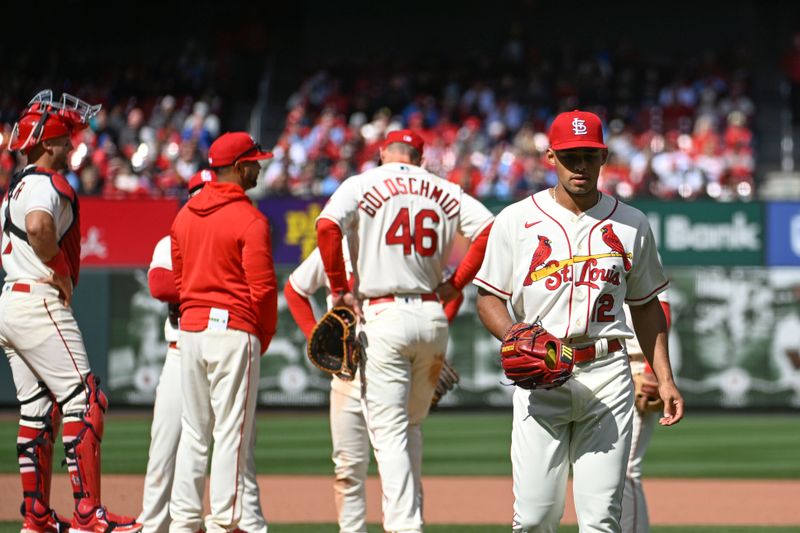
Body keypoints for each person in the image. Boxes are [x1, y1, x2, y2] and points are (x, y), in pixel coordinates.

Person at [473, 110, 684, 532]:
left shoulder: (632, 223)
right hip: (541, 376)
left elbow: (646, 305)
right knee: (534, 518)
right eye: (570, 156)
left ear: (603, 156)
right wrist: (516, 336)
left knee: (601, 518)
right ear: (551, 157)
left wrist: (664, 377)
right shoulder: (515, 220)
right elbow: (489, 298)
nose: (581, 165)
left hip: (607, 372)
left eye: (589, 155)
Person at [315, 129, 494, 532]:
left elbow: (326, 227)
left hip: (384, 314)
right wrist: (457, 282)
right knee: (410, 426)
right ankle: (411, 519)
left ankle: (406, 527)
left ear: (382, 154)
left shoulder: (363, 183)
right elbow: (489, 230)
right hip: (432, 317)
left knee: (390, 432)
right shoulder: (443, 188)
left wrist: (340, 290)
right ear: (420, 157)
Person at [0, 90, 142, 533]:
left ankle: (36, 516)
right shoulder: (43, 183)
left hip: (11, 299)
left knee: (36, 411)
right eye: (65, 138)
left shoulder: (15, 189)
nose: (72, 144)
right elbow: (41, 227)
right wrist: (60, 271)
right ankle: (87, 513)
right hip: (40, 298)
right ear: (45, 143)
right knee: (86, 400)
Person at [283, 244, 464, 533]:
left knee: (404, 466)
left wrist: (432, 347)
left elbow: (455, 293)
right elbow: (295, 289)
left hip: (396, 371)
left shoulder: (401, 240)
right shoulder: (337, 244)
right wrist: (316, 339)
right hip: (349, 371)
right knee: (347, 468)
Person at [138, 169, 267, 533]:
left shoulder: (228, 230)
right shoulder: (176, 234)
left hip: (219, 342)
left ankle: (246, 521)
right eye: (196, 190)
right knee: (166, 447)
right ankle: (157, 525)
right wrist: (211, 285)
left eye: (206, 189)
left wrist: (203, 284)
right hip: (182, 352)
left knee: (238, 444)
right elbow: (159, 283)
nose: (201, 195)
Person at [169, 132, 277, 533]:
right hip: (234, 331)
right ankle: (224, 524)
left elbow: (179, 281)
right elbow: (263, 289)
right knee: (231, 433)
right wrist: (263, 334)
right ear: (237, 167)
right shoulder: (249, 218)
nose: (259, 166)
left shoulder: (184, 213)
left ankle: (182, 522)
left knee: (195, 432)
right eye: (254, 161)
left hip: (192, 331)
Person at [620, 291, 670, 533]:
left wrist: (653, 370)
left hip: (637, 366)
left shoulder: (641, 251)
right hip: (594, 363)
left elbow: (660, 307)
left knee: (626, 468)